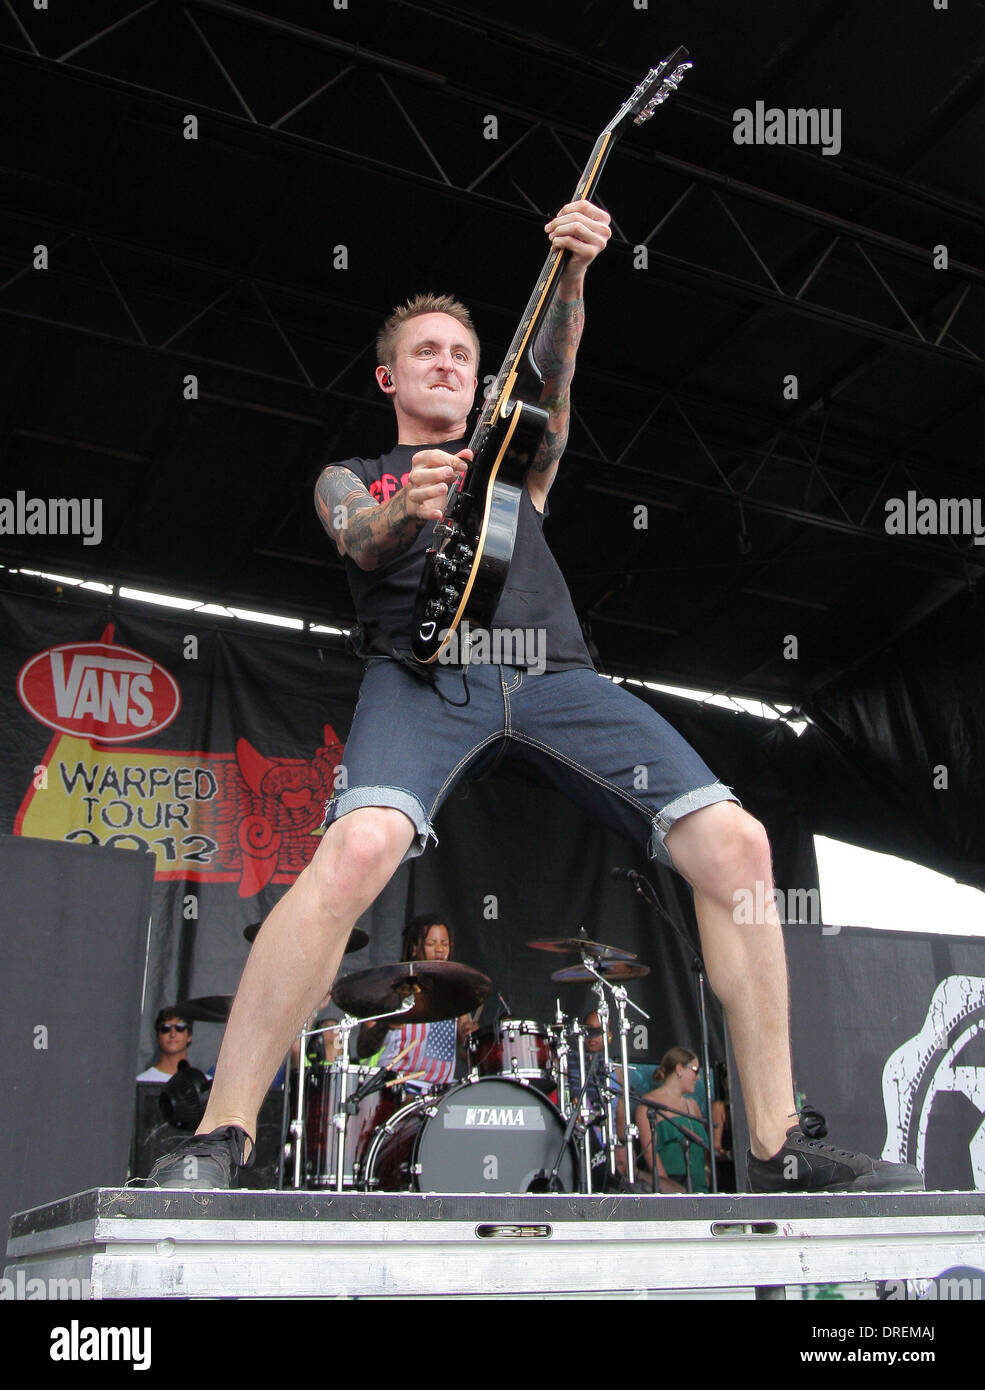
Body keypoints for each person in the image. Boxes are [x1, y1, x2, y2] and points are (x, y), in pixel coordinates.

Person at [149, 197, 922, 1195]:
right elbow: (355, 536)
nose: (446, 363)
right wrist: (400, 516)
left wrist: (572, 276)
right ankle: (219, 1138)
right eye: (424, 351)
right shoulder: (354, 474)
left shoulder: (518, 467)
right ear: (389, 376)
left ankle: (779, 1143)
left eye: (461, 353)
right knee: (359, 846)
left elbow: (550, 380)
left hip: (555, 679)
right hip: (425, 681)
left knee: (736, 842)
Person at [355, 913, 477, 1088]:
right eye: (431, 944)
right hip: (396, 1088)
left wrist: (470, 1039)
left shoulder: (455, 993)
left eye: (444, 944)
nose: (440, 950)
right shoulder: (391, 989)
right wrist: (384, 1026)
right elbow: (363, 1050)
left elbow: (466, 1054)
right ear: (414, 948)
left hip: (441, 1093)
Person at [635, 1047, 709, 1194]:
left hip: (700, 1186)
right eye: (695, 1070)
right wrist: (667, 1188)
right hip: (672, 1186)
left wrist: (707, 1172)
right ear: (679, 1069)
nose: (698, 1077)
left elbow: (704, 1147)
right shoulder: (649, 1104)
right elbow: (650, 1153)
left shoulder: (692, 1106)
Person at [137, 1007, 193, 1081]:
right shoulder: (141, 1081)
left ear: (189, 1036)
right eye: (165, 1028)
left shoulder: (206, 1083)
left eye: (180, 1027)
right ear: (158, 1036)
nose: (173, 1034)